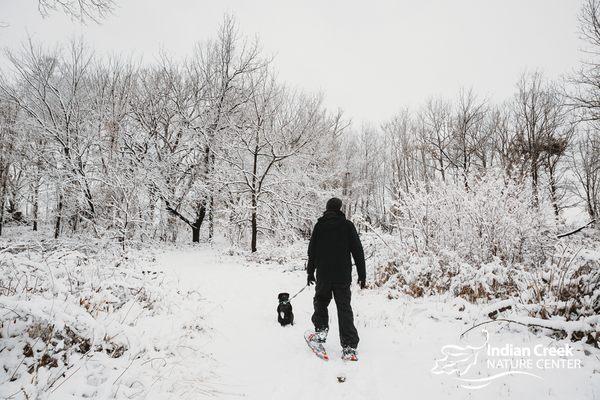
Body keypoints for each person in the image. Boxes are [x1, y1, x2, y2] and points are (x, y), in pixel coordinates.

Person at [306, 197, 366, 361]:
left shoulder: (320, 226)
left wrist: (310, 272)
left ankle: (321, 332)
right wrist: (362, 274)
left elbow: (312, 252)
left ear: (327, 208)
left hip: (324, 275)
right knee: (344, 308)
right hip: (342, 276)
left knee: (320, 302)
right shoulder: (347, 226)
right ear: (340, 209)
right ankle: (349, 346)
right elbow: (358, 251)